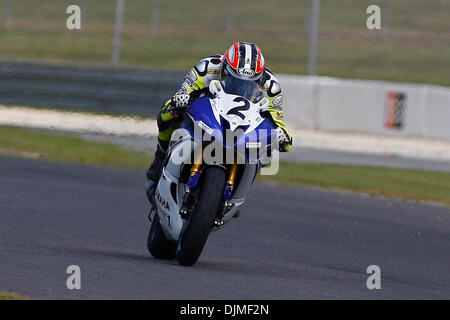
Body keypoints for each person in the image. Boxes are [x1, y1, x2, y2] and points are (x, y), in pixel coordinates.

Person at [145, 41, 293, 195]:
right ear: (224, 68)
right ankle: (160, 159)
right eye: (235, 80)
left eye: (249, 84)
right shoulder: (206, 68)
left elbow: (277, 122)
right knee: (168, 112)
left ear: (260, 80)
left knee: (265, 152)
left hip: (244, 126)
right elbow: (182, 94)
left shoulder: (271, 87)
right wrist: (181, 100)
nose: (241, 87)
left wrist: (282, 136)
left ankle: (236, 188)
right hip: (209, 112)